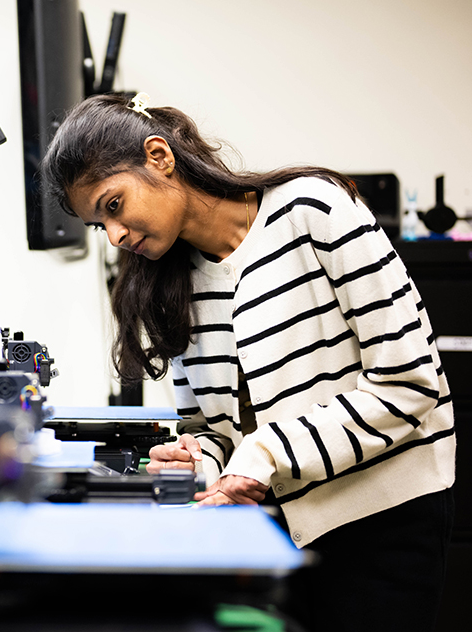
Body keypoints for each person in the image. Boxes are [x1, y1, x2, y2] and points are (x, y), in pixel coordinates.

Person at [39, 93, 455, 631]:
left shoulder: (312, 210)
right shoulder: (170, 284)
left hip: (383, 520)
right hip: (276, 531)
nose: (115, 235)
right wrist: (199, 461)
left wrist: (265, 452)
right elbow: (218, 432)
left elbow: (409, 386)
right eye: (100, 224)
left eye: (113, 204)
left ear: (159, 156)